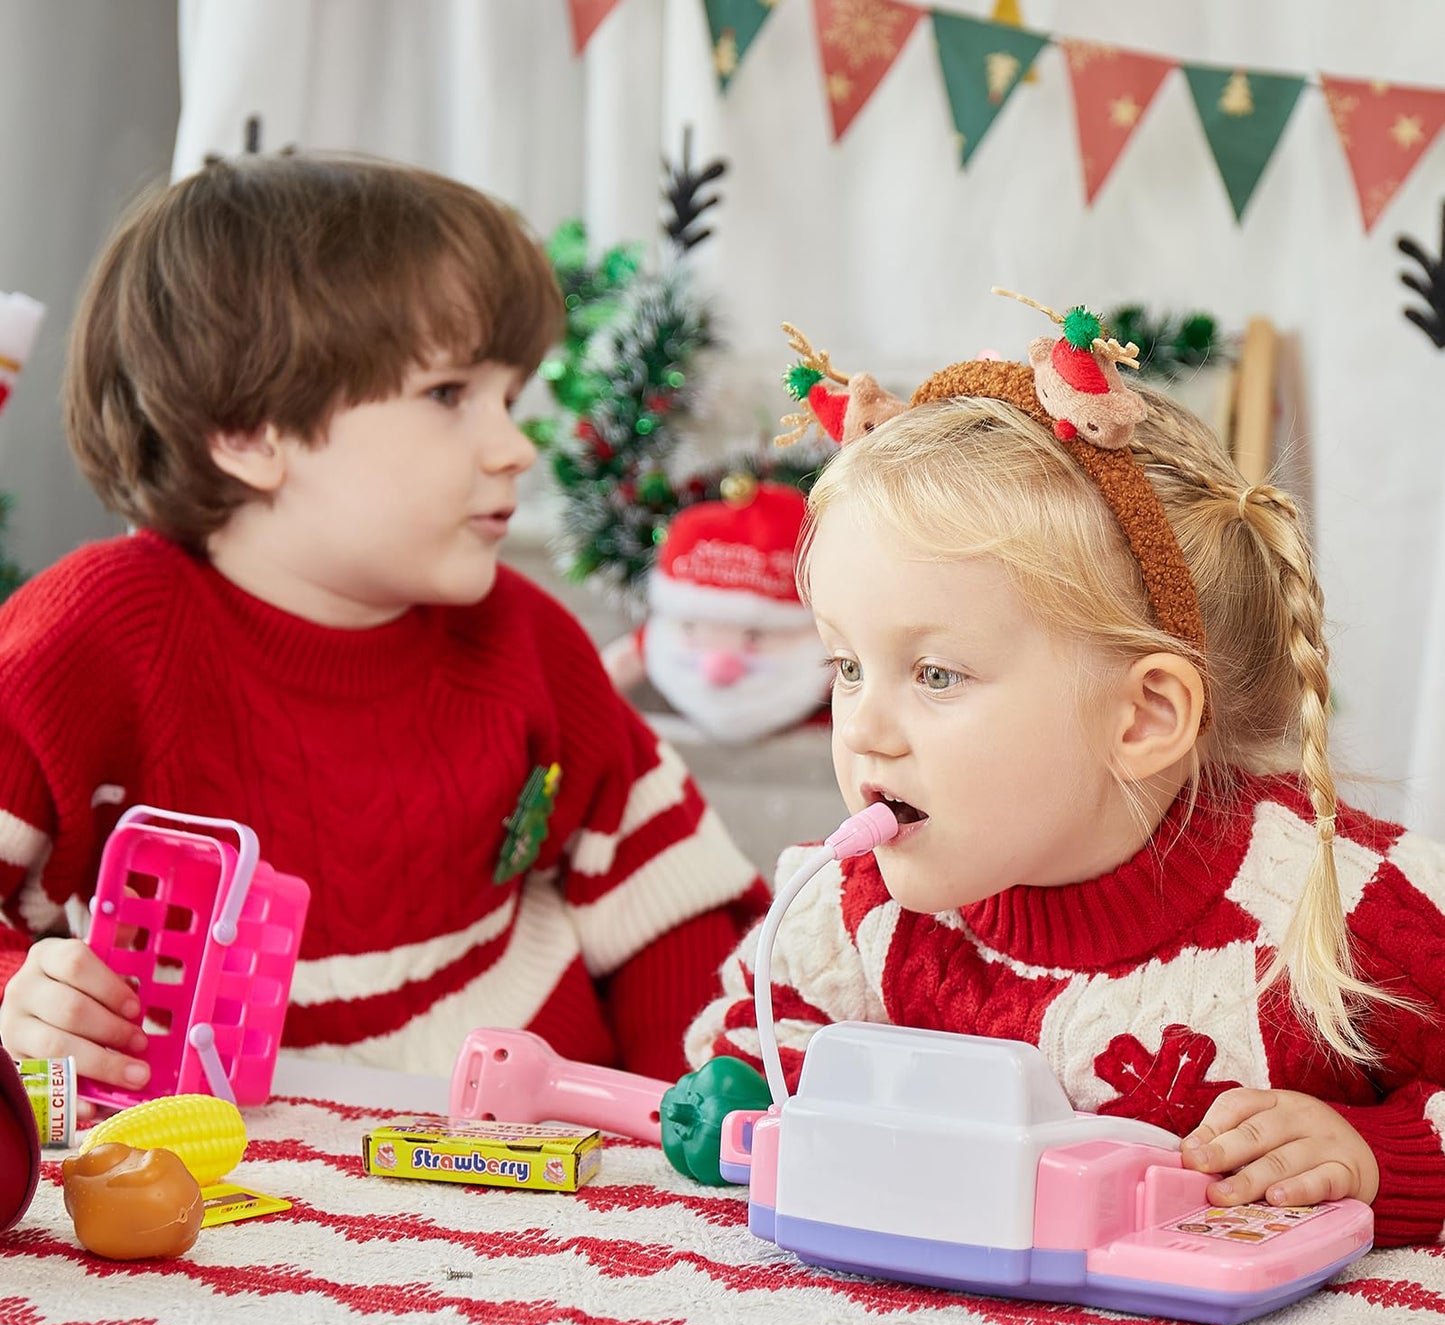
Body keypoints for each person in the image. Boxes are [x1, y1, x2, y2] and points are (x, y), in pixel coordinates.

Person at [0, 152, 768, 1097]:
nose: (514, 446)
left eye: (510, 396)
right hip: (226, 1164)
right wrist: (18, 997)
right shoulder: (90, 638)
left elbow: (669, 905)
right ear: (248, 432)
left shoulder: (524, 638)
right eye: (449, 395)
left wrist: (679, 1133)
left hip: (534, 1141)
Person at [685, 306, 1445, 1247]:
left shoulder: (1341, 912)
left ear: (1142, 717)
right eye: (845, 666)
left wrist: (1376, 1154)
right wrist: (748, 1089)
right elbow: (761, 1041)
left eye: (934, 675)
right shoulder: (848, 913)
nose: (863, 729)